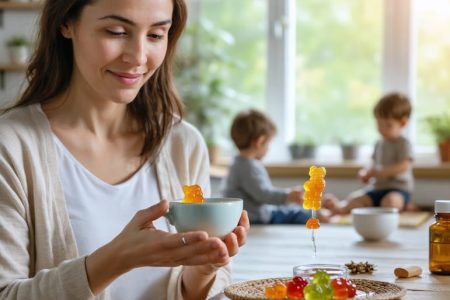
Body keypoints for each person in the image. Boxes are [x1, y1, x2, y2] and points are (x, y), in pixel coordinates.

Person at [0, 1, 249, 300]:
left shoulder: (183, 144)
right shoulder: (11, 147)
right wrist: (117, 259)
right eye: (116, 31)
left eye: (156, 35)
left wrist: (204, 270)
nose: (138, 57)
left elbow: (199, 290)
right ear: (67, 23)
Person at [222, 109, 328, 225]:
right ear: (259, 142)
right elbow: (264, 194)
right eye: (268, 144)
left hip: (257, 212)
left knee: (288, 210)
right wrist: (288, 195)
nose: (268, 148)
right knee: (295, 213)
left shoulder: (239, 164)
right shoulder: (247, 167)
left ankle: (324, 214)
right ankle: (323, 217)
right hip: (257, 217)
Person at [326, 92, 414, 215]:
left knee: (391, 202)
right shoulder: (379, 143)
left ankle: (404, 206)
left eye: (388, 125)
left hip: (397, 190)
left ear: (403, 123)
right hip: (377, 188)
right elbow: (372, 163)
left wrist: (380, 172)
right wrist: (366, 173)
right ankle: (339, 208)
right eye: (379, 124)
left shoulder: (403, 143)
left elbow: (405, 165)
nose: (382, 129)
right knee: (354, 198)